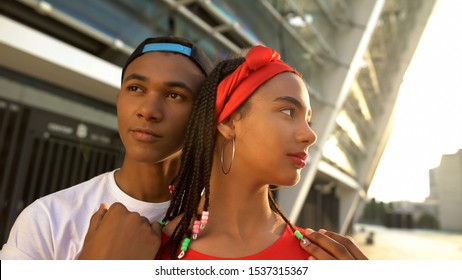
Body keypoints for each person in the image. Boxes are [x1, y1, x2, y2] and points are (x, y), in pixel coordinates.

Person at [0, 36, 213, 260]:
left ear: (204, 115)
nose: (148, 110)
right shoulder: (48, 218)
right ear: (119, 100)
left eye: (174, 95)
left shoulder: (219, 223)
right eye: (136, 88)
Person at [159, 45, 368, 260]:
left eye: (308, 120)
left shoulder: (323, 260)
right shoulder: (147, 248)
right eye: (288, 111)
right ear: (229, 122)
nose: (311, 135)